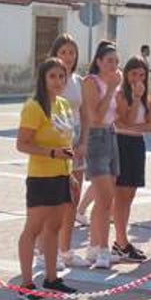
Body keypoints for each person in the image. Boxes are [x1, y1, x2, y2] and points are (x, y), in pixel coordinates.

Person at [15, 57, 76, 300]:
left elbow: (65, 142)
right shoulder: (34, 106)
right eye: (52, 76)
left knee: (55, 228)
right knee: (33, 228)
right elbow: (22, 144)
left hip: (61, 175)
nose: (58, 81)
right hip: (41, 176)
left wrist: (69, 173)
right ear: (43, 78)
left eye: (62, 76)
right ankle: (26, 284)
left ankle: (51, 279)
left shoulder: (63, 104)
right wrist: (51, 153)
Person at [49, 35, 89, 270]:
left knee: (73, 198)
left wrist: (83, 140)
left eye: (72, 52)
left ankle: (66, 250)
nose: (68, 56)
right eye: (63, 51)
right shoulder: (49, 79)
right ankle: (46, 250)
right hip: (55, 146)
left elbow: (84, 113)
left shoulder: (78, 81)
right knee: (54, 201)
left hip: (75, 145)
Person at [81, 41, 122, 269]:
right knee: (105, 198)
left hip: (111, 135)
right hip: (96, 137)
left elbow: (119, 115)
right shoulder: (91, 82)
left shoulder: (115, 82)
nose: (113, 65)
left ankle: (94, 246)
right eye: (109, 61)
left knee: (105, 197)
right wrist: (112, 89)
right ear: (98, 62)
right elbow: (95, 116)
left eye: (116, 61)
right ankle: (104, 249)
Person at [113, 56, 151, 262]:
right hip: (121, 143)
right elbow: (124, 120)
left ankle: (120, 240)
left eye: (142, 75)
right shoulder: (121, 95)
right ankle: (121, 241)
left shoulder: (146, 96)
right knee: (120, 194)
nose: (137, 79)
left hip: (137, 144)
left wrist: (134, 126)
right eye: (134, 74)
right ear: (127, 74)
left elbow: (150, 125)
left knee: (130, 194)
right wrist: (136, 99)